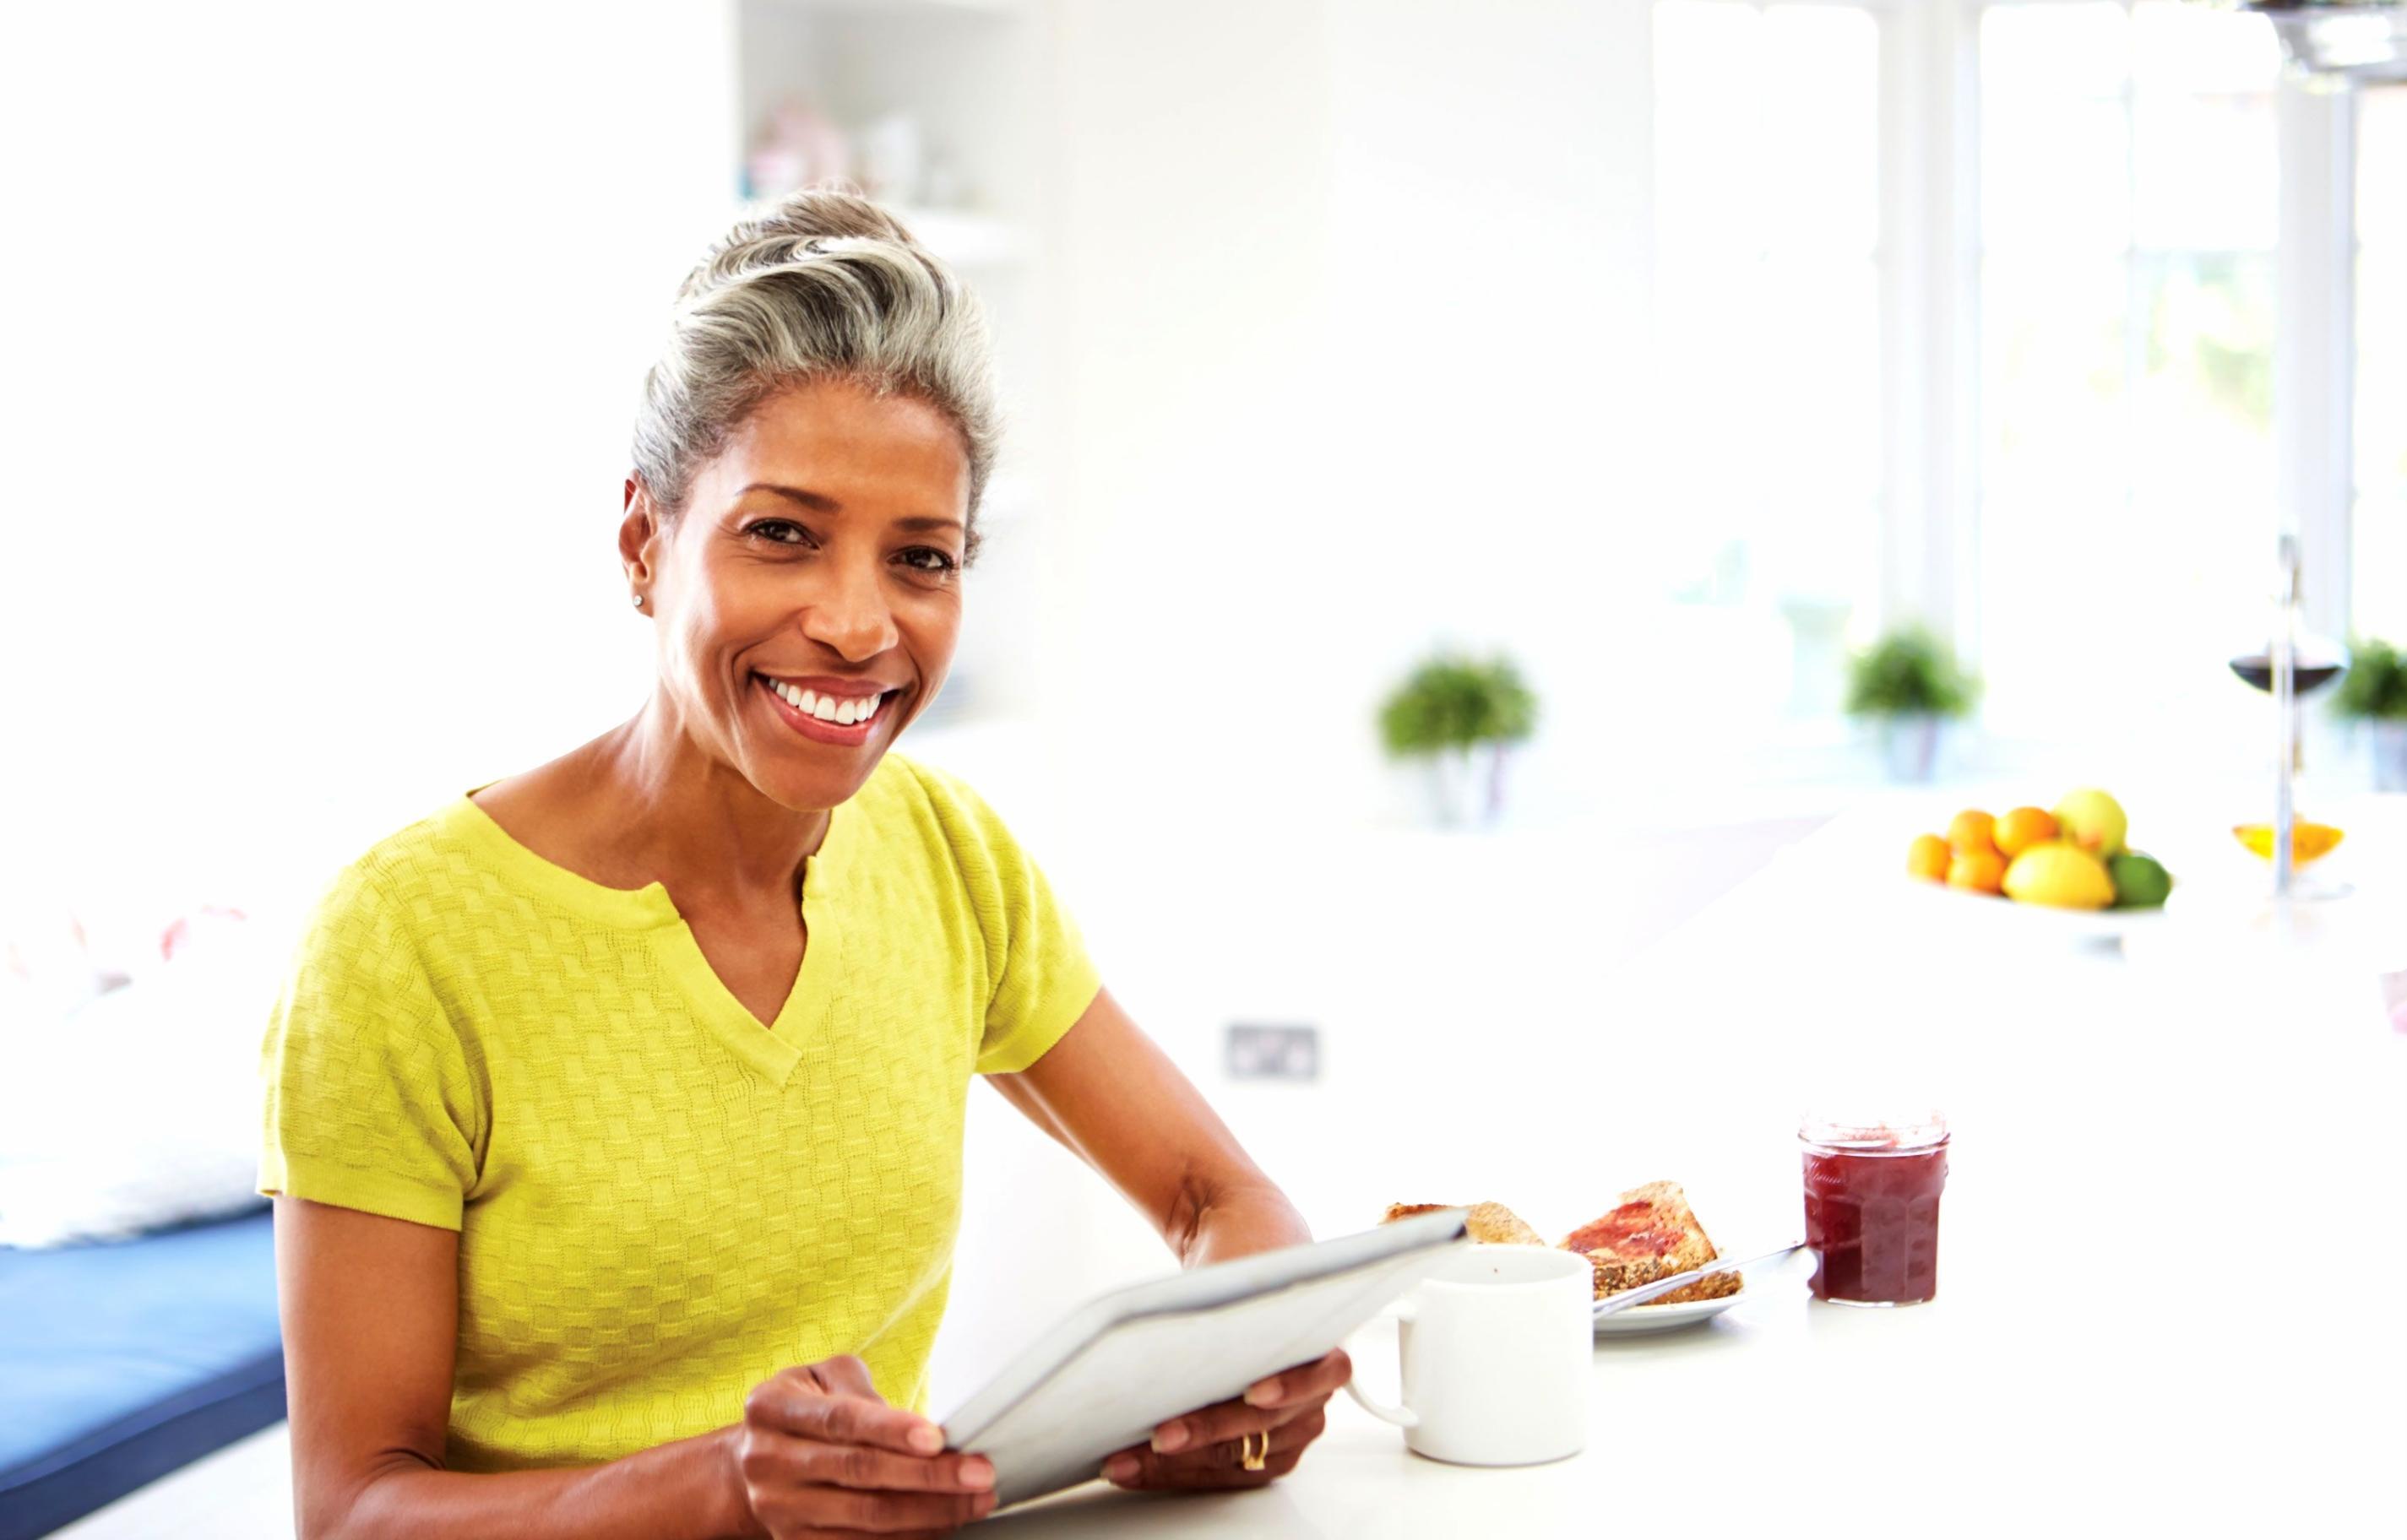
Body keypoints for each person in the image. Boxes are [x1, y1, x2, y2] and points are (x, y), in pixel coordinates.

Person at [258, 187, 1345, 1540]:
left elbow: (1217, 1198)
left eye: (920, 559)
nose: (855, 623)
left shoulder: (946, 855)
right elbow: (353, 1511)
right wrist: (720, 1491)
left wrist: (1231, 1375)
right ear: (646, 545)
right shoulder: (405, 937)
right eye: (782, 533)